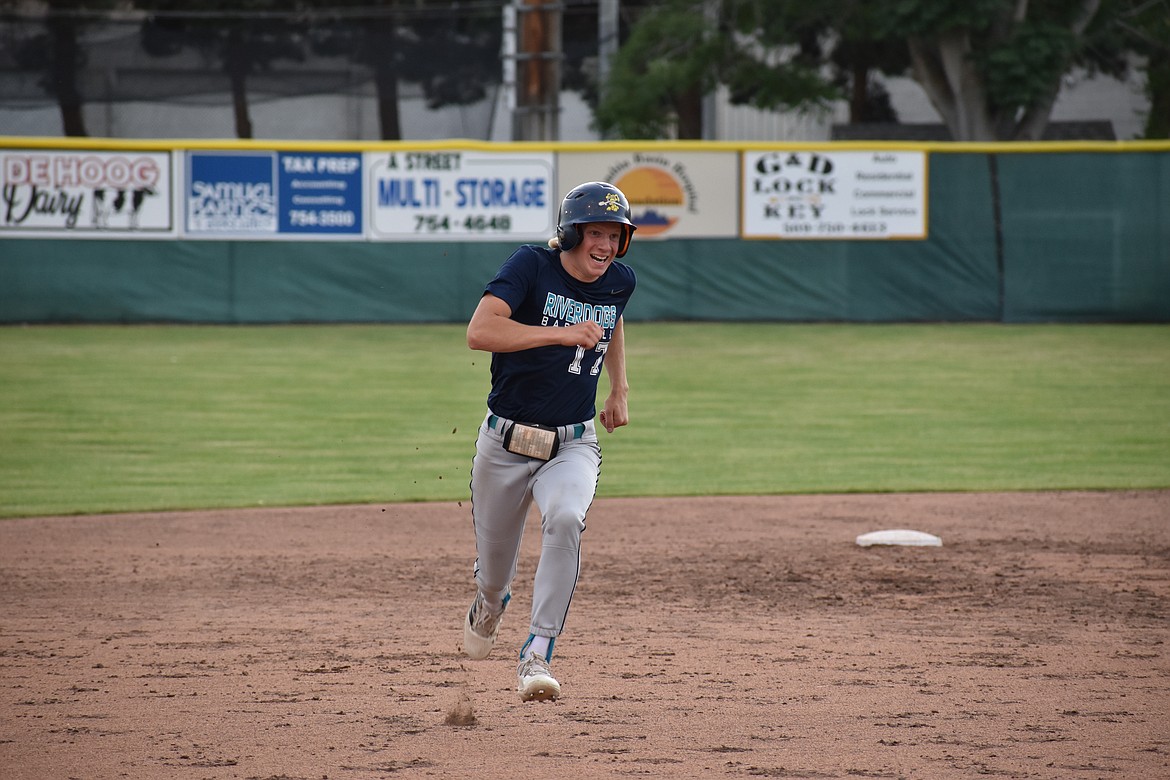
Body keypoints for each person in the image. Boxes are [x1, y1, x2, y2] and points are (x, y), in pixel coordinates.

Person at [462, 181, 638, 702]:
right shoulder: (531, 267)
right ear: (570, 233)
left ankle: (538, 651)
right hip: (505, 443)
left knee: (565, 518)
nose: (605, 246)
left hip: (573, 442)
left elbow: (614, 318)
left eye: (615, 235)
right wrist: (560, 333)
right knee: (495, 575)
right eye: (595, 234)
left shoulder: (618, 281)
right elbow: (481, 331)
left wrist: (619, 387)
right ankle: (491, 601)